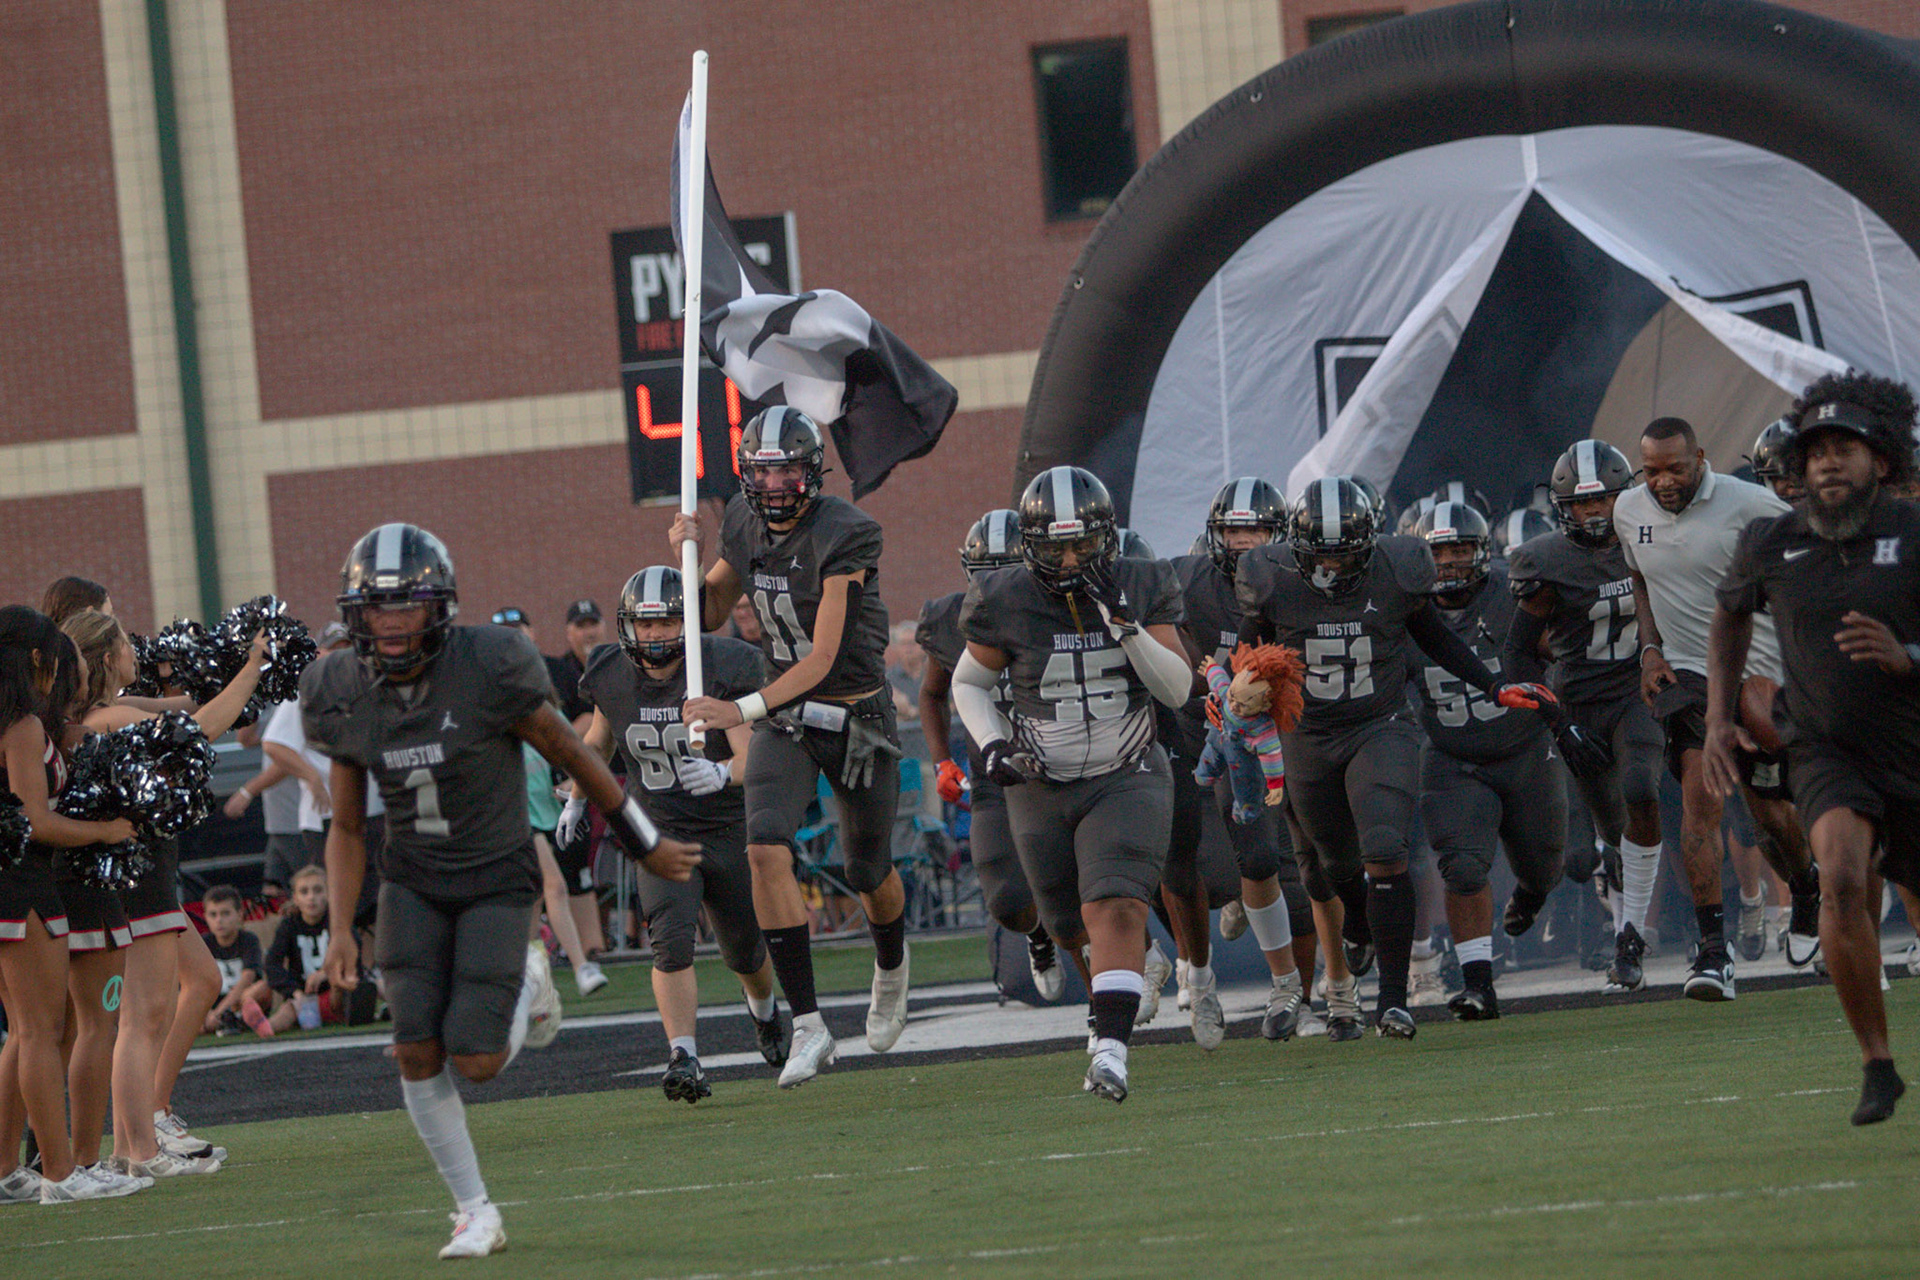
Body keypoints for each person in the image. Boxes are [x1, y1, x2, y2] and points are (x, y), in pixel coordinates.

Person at [310, 522, 698, 1258]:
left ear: (439, 606)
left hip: (493, 872)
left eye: (405, 604)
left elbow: (571, 750)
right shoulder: (342, 687)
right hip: (412, 880)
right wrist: (337, 929)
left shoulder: (488, 666)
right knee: (414, 1048)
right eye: (376, 607)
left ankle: (531, 980)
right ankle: (474, 1211)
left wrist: (643, 838)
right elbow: (349, 826)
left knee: (477, 1061)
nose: (390, 623)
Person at [1238, 477, 1555, 1039]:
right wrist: (1234, 691)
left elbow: (1434, 637)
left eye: (1344, 553)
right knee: (1335, 865)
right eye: (1322, 553)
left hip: (1378, 725)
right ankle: (1360, 923)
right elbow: (1247, 653)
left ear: (1368, 545)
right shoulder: (1272, 579)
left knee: (1385, 849)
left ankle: (1392, 1000)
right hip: (1308, 735)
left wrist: (1491, 685)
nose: (1332, 565)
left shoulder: (1396, 568)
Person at [668, 407, 909, 1089]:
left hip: (854, 716)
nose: (774, 484)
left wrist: (740, 708)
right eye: (763, 471)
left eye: (787, 471)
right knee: (764, 848)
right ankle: (808, 1023)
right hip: (786, 718)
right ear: (747, 473)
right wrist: (686, 559)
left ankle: (892, 966)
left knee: (867, 871)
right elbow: (709, 613)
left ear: (813, 472)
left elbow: (824, 657)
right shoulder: (742, 523)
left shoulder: (847, 531)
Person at [1706, 372, 1920, 1126]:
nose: (1827, 461)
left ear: (1882, 461)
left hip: (1913, 744)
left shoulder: (1914, 532)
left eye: (1844, 448)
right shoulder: (1771, 540)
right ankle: (1877, 1063)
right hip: (1826, 748)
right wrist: (1717, 717)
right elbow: (1730, 616)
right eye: (1815, 449)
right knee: (1840, 878)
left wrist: (1908, 657)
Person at [953, 466, 1194, 1102]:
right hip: (1040, 779)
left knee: (1114, 904)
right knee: (1065, 922)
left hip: (1127, 769)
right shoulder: (1005, 595)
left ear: (1107, 537)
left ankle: (1111, 1052)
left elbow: (1177, 689)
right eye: (1055, 547)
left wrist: (1127, 626)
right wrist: (993, 743)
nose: (1069, 561)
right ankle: (1117, 991)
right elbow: (968, 684)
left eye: (1083, 545)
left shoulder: (1142, 581)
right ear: (1030, 545)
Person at [1617, 415, 1822, 1002]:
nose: (1662, 482)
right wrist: (1649, 649)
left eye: (1675, 469)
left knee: (1768, 818)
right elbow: (1638, 577)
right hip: (1686, 675)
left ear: (1700, 458)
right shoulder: (1628, 510)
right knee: (1698, 802)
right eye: (1651, 471)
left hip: (1757, 676)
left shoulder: (1750, 503)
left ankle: (1805, 887)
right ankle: (1713, 952)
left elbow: (1810, 566)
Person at [569, 565, 789, 1101]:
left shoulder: (722, 667)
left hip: (727, 828)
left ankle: (763, 1011)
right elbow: (597, 742)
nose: (655, 635)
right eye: (645, 624)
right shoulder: (611, 671)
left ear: (688, 623)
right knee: (669, 943)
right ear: (627, 626)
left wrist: (720, 772)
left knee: (745, 952)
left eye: (667, 622)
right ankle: (683, 1055)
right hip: (660, 832)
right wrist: (577, 796)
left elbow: (751, 757)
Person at [68, 606, 261, 1174]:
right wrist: (255, 666)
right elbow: (200, 729)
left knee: (141, 1016)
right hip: (140, 880)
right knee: (142, 1019)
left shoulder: (106, 712)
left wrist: (223, 673)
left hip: (137, 878)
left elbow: (182, 709)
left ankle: (131, 1147)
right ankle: (140, 1151)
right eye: (126, 644)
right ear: (108, 659)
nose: (137, 649)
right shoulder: (111, 718)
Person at [1505, 440, 1668, 995]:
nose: (1595, 511)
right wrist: (1555, 719)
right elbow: (1518, 652)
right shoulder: (1547, 560)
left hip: (1638, 690)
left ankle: (1630, 939)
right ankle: (1614, 919)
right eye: (1582, 503)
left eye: (1603, 500)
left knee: (1642, 788)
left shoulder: (1651, 535)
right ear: (1563, 507)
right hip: (1579, 702)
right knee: (1609, 835)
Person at [0, 608, 144, 1202]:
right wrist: (105, 831)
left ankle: (7, 1171)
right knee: (41, 1031)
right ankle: (59, 1175)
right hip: (23, 888)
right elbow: (35, 821)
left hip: (13, 886)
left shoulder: (21, 724)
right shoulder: (21, 727)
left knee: (21, 1034)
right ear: (37, 660)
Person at [1174, 477, 1321, 1040]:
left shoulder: (1295, 581)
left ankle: (1306, 993)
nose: (1243, 541)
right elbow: (1167, 635)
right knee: (1231, 869)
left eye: (1256, 529)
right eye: (1234, 529)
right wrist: (1202, 684)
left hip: (1285, 740)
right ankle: (1267, 976)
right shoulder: (1188, 581)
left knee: (1301, 875)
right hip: (1214, 744)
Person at [1408, 502, 1567, 1020]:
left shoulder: (1512, 595)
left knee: (1546, 866)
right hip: (1453, 755)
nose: (1450, 562)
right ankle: (1478, 984)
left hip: (1525, 750)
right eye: (1438, 552)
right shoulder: (1404, 608)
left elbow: (1562, 653)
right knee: (1461, 865)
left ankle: (1531, 893)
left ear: (1482, 552)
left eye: (1460, 550)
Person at [916, 509, 1066, 1000]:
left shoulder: (1059, 609)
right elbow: (932, 694)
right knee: (1005, 898)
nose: (999, 586)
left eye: (1010, 572)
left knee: (1078, 884)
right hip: (994, 774)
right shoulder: (950, 619)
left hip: (1065, 765)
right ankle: (1038, 936)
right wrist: (942, 760)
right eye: (988, 573)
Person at [263, 865, 338, 1031]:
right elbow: (272, 965)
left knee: (368, 985)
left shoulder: (337, 922)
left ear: (328, 894)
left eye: (318, 890)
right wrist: (295, 992)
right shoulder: (289, 926)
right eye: (304, 892)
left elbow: (353, 956)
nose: (311, 897)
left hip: (334, 994)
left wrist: (326, 973)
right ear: (295, 898)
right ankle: (265, 1026)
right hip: (303, 998)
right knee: (287, 1011)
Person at [199, 885, 270, 1035]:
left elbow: (248, 977)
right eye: (213, 914)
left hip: (240, 1001)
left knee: (263, 988)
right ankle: (225, 1023)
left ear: (239, 914)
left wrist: (220, 1012)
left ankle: (238, 1019)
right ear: (205, 917)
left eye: (225, 913)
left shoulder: (249, 939)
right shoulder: (203, 944)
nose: (219, 920)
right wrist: (209, 1012)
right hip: (213, 1004)